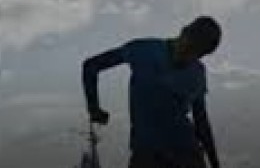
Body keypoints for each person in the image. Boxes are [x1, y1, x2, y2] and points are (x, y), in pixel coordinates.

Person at [82, 16, 223, 168]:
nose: (187, 57)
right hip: (147, 154)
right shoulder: (143, 50)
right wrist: (94, 108)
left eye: (195, 54)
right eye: (188, 48)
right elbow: (91, 66)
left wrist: (215, 164)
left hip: (186, 154)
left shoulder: (197, 72)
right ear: (184, 32)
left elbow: (201, 121)